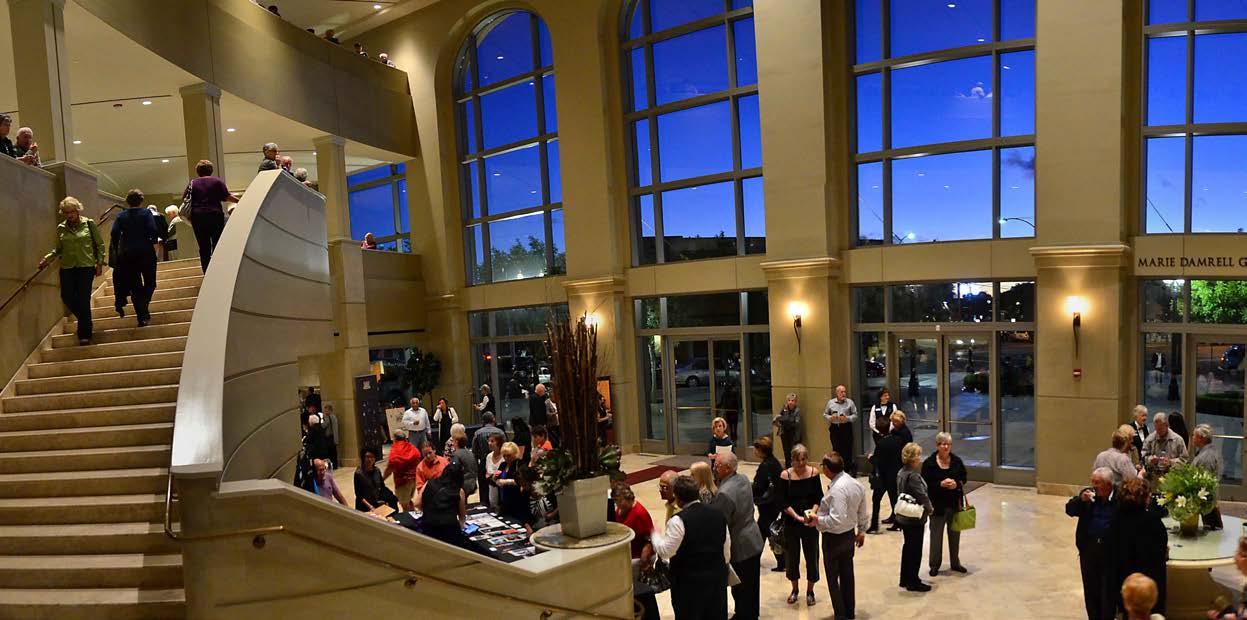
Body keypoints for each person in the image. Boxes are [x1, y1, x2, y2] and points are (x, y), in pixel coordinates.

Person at [645, 475, 731, 620]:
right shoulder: (718, 514)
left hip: (688, 584)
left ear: (677, 497)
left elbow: (666, 552)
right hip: (716, 579)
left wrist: (656, 536)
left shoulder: (678, 520)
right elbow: (726, 549)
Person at [809, 452, 869, 620]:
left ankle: (840, 615)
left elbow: (836, 519)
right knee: (847, 575)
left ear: (827, 469)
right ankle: (849, 611)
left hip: (834, 539)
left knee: (833, 579)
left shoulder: (837, 490)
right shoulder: (856, 484)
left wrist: (817, 520)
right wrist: (861, 531)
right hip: (849, 536)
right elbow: (862, 510)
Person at [39, 197, 105, 345]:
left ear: (77, 210)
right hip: (67, 267)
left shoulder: (89, 224)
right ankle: (86, 320)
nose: (69, 215)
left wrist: (99, 263)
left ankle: (84, 334)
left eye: (72, 212)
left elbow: (99, 244)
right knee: (66, 296)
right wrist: (47, 258)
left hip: (86, 266)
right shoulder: (61, 228)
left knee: (83, 298)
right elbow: (59, 249)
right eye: (66, 212)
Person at [711, 452, 764, 620]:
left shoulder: (724, 493)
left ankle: (743, 615)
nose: (714, 468)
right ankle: (752, 614)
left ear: (727, 468)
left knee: (740, 587)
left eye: (717, 465)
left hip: (740, 544)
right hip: (754, 537)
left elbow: (720, 524)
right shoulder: (743, 479)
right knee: (752, 584)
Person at [1066, 467, 1119, 620]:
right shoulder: (1087, 495)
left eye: (1098, 483)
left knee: (1108, 591)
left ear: (1108, 484)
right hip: (1089, 549)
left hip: (1110, 552)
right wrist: (1081, 500)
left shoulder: (1120, 498)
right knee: (1090, 589)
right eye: (1093, 482)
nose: (1094, 486)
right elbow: (1069, 510)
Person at [1111, 478, 1168, 617]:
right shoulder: (1153, 521)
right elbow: (1161, 552)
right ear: (1145, 498)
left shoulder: (1115, 518)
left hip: (1124, 580)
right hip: (1148, 581)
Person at [108, 189, 160, 327]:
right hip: (146, 252)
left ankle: (141, 316)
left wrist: (117, 246)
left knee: (135, 286)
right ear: (141, 200)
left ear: (127, 201)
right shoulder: (146, 213)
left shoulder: (121, 215)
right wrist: (154, 242)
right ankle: (144, 307)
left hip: (128, 254)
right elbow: (153, 229)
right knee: (150, 283)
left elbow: (114, 232)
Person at [780, 443, 823, 606]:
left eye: (804, 459)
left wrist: (812, 513)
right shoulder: (785, 475)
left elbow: (818, 497)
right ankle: (795, 589)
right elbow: (782, 501)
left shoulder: (813, 473)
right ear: (792, 460)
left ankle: (810, 591)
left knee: (812, 556)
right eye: (798, 460)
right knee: (792, 557)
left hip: (810, 522)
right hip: (791, 522)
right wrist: (796, 516)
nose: (801, 463)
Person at [922, 432, 968, 576]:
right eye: (943, 444)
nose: (946, 447)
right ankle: (934, 565)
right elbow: (925, 484)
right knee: (936, 537)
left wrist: (956, 484)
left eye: (948, 444)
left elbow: (963, 478)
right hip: (937, 506)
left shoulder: (957, 461)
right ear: (937, 446)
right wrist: (940, 484)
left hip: (954, 504)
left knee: (955, 535)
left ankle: (955, 563)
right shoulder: (929, 463)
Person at [183, 159, 239, 273]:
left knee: (203, 246)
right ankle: (218, 271)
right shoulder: (216, 181)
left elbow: (185, 199)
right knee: (217, 243)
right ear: (211, 170)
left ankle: (207, 272)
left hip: (198, 217)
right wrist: (241, 200)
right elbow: (227, 196)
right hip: (215, 215)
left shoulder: (192, 183)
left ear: (198, 171)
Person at [895, 442, 934, 593]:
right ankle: (913, 581)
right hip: (914, 517)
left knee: (908, 547)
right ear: (914, 458)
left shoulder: (901, 472)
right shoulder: (913, 476)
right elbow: (922, 495)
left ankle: (904, 578)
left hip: (904, 516)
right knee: (915, 550)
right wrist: (930, 509)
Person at [752, 436, 785, 572]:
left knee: (767, 532)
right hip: (774, 503)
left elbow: (759, 486)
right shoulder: (775, 462)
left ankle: (781, 561)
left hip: (767, 505)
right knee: (765, 531)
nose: (754, 451)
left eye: (756, 449)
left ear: (761, 450)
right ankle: (780, 561)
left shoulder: (765, 466)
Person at [868, 413, 906, 533]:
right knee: (894, 499)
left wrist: (870, 458)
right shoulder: (898, 440)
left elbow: (877, 461)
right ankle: (898, 523)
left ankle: (874, 525)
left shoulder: (881, 444)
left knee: (876, 500)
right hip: (894, 475)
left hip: (882, 477)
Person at [418, 460, 468, 549]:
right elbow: (462, 516)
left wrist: (429, 510)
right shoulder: (459, 491)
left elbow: (417, 503)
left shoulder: (428, 483)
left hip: (428, 525)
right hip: (449, 529)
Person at [494, 442, 535, 533]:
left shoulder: (519, 464)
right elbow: (496, 480)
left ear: (514, 454)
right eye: (504, 456)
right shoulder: (503, 465)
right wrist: (494, 478)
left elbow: (523, 481)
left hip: (516, 499)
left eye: (508, 455)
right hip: (504, 500)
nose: (506, 458)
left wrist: (507, 482)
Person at [1190, 423, 1224, 530]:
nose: (1192, 438)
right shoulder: (1208, 452)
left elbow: (1205, 481)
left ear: (1201, 438)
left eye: (1194, 435)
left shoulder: (1206, 457)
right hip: (1208, 500)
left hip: (1207, 500)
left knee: (1212, 529)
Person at [823, 385, 858, 475]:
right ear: (837, 393)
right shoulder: (831, 402)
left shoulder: (850, 402)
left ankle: (847, 470)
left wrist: (848, 418)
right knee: (836, 449)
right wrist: (830, 418)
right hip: (835, 428)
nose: (844, 394)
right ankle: (837, 470)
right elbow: (825, 414)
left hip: (846, 427)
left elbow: (855, 415)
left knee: (847, 449)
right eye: (841, 392)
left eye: (844, 392)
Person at [383, 430, 421, 511]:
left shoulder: (395, 450)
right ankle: (414, 515)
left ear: (394, 439)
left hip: (402, 483)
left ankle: (409, 518)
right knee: (409, 501)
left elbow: (389, 469)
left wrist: (382, 479)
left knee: (404, 506)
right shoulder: (412, 448)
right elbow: (418, 462)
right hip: (413, 480)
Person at [471, 411, 506, 501]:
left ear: (483, 421)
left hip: (483, 463)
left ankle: (485, 505)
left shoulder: (477, 433)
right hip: (500, 462)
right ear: (493, 419)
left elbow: (474, 452)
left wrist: (477, 467)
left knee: (484, 490)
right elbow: (506, 447)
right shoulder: (500, 432)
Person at [1143, 412, 1186, 483]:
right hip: (1154, 479)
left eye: (1160, 429)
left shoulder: (1178, 440)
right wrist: (1150, 460)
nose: (1158, 432)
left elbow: (1184, 460)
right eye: (1156, 429)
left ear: (1167, 425)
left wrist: (1171, 462)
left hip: (1172, 479)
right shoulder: (1150, 439)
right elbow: (1143, 457)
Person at [614, 483, 654, 560]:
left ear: (629, 498)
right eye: (616, 500)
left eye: (620, 500)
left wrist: (645, 557)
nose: (617, 504)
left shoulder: (639, 513)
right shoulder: (620, 509)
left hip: (637, 557)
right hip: (625, 553)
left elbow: (649, 537)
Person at [353, 446, 397, 512]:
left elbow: (382, 487)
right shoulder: (358, 473)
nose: (370, 459)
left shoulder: (377, 471)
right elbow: (359, 495)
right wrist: (370, 506)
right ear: (363, 458)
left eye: (372, 457)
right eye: (367, 457)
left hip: (376, 502)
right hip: (364, 506)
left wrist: (384, 501)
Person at [771, 393, 804, 469]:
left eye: (792, 400)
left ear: (795, 402)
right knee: (786, 452)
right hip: (784, 433)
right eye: (789, 400)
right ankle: (788, 467)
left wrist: (785, 418)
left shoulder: (797, 410)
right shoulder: (784, 408)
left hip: (794, 434)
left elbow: (795, 423)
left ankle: (795, 467)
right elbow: (780, 419)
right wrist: (785, 419)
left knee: (794, 452)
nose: (790, 402)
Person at [483, 434, 506, 509]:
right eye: (489, 441)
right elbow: (487, 474)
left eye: (492, 441)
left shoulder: (505, 457)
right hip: (491, 489)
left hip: (503, 490)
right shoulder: (489, 456)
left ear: (499, 443)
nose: (489, 443)